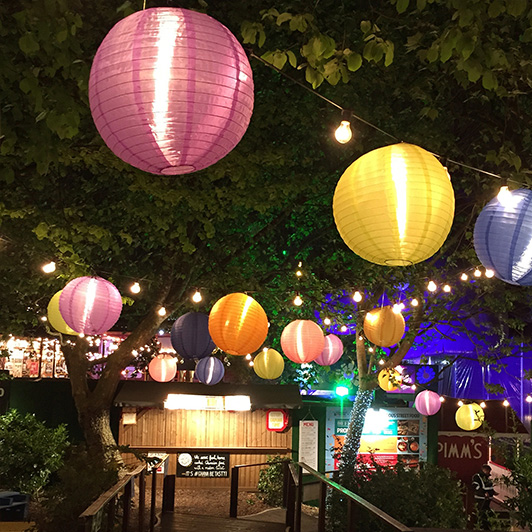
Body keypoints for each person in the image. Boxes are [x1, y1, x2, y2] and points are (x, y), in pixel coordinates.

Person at [472, 464, 496, 530]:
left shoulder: (487, 478)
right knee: (481, 513)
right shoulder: (477, 477)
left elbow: (490, 487)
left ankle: (486, 526)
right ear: (484, 470)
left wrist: (493, 492)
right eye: (488, 471)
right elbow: (475, 487)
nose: (489, 473)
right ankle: (482, 526)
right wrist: (483, 493)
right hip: (480, 498)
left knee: (486, 513)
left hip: (487, 499)